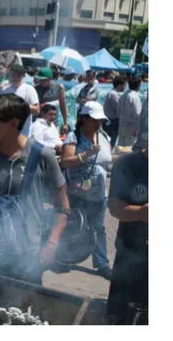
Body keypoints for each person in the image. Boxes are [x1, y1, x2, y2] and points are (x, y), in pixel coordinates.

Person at [0, 94, 69, 284]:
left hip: (27, 256)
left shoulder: (43, 156)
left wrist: (51, 243)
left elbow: (63, 207)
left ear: (14, 123)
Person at [60, 101, 113, 279]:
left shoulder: (103, 136)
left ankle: (102, 264)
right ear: (84, 119)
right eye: (95, 120)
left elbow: (107, 159)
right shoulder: (73, 137)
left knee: (98, 228)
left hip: (97, 193)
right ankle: (62, 257)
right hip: (77, 192)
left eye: (100, 121)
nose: (98, 124)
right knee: (71, 225)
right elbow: (65, 161)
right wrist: (86, 154)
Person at [106, 130, 148, 324]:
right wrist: (140, 213)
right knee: (121, 315)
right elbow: (114, 206)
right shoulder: (128, 165)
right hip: (130, 252)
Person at [0, 63, 40, 136]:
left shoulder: (29, 89)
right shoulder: (4, 90)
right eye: (13, 74)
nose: (15, 77)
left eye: (18, 75)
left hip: (23, 134)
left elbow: (37, 110)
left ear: (23, 76)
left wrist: (20, 105)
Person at [34, 67, 69, 135]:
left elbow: (62, 106)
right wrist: (40, 107)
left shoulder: (59, 88)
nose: (42, 81)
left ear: (50, 78)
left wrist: (65, 123)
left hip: (53, 123)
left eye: (44, 80)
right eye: (40, 79)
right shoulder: (35, 89)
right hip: (39, 122)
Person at [117, 77, 143, 148]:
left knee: (120, 148)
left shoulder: (123, 95)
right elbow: (138, 113)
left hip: (122, 125)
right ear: (138, 85)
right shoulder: (135, 97)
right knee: (130, 148)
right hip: (132, 127)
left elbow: (118, 111)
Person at [103, 76, 127, 147]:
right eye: (124, 85)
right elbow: (120, 109)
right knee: (111, 141)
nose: (125, 87)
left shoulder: (112, 93)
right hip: (111, 122)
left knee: (110, 140)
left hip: (110, 121)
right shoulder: (113, 94)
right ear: (119, 85)